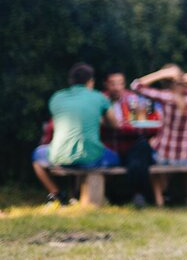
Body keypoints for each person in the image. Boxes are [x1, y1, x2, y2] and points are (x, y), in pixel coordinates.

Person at [32, 63, 121, 205]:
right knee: (116, 157)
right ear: (90, 81)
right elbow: (115, 124)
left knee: (36, 156)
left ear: (71, 81)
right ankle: (95, 196)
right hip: (91, 157)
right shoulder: (99, 97)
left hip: (59, 156)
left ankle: (57, 194)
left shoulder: (57, 97)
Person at [130, 64, 187, 206]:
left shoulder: (167, 97)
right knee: (179, 158)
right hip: (186, 157)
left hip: (164, 156)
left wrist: (161, 73)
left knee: (149, 148)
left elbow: (136, 86)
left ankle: (159, 200)